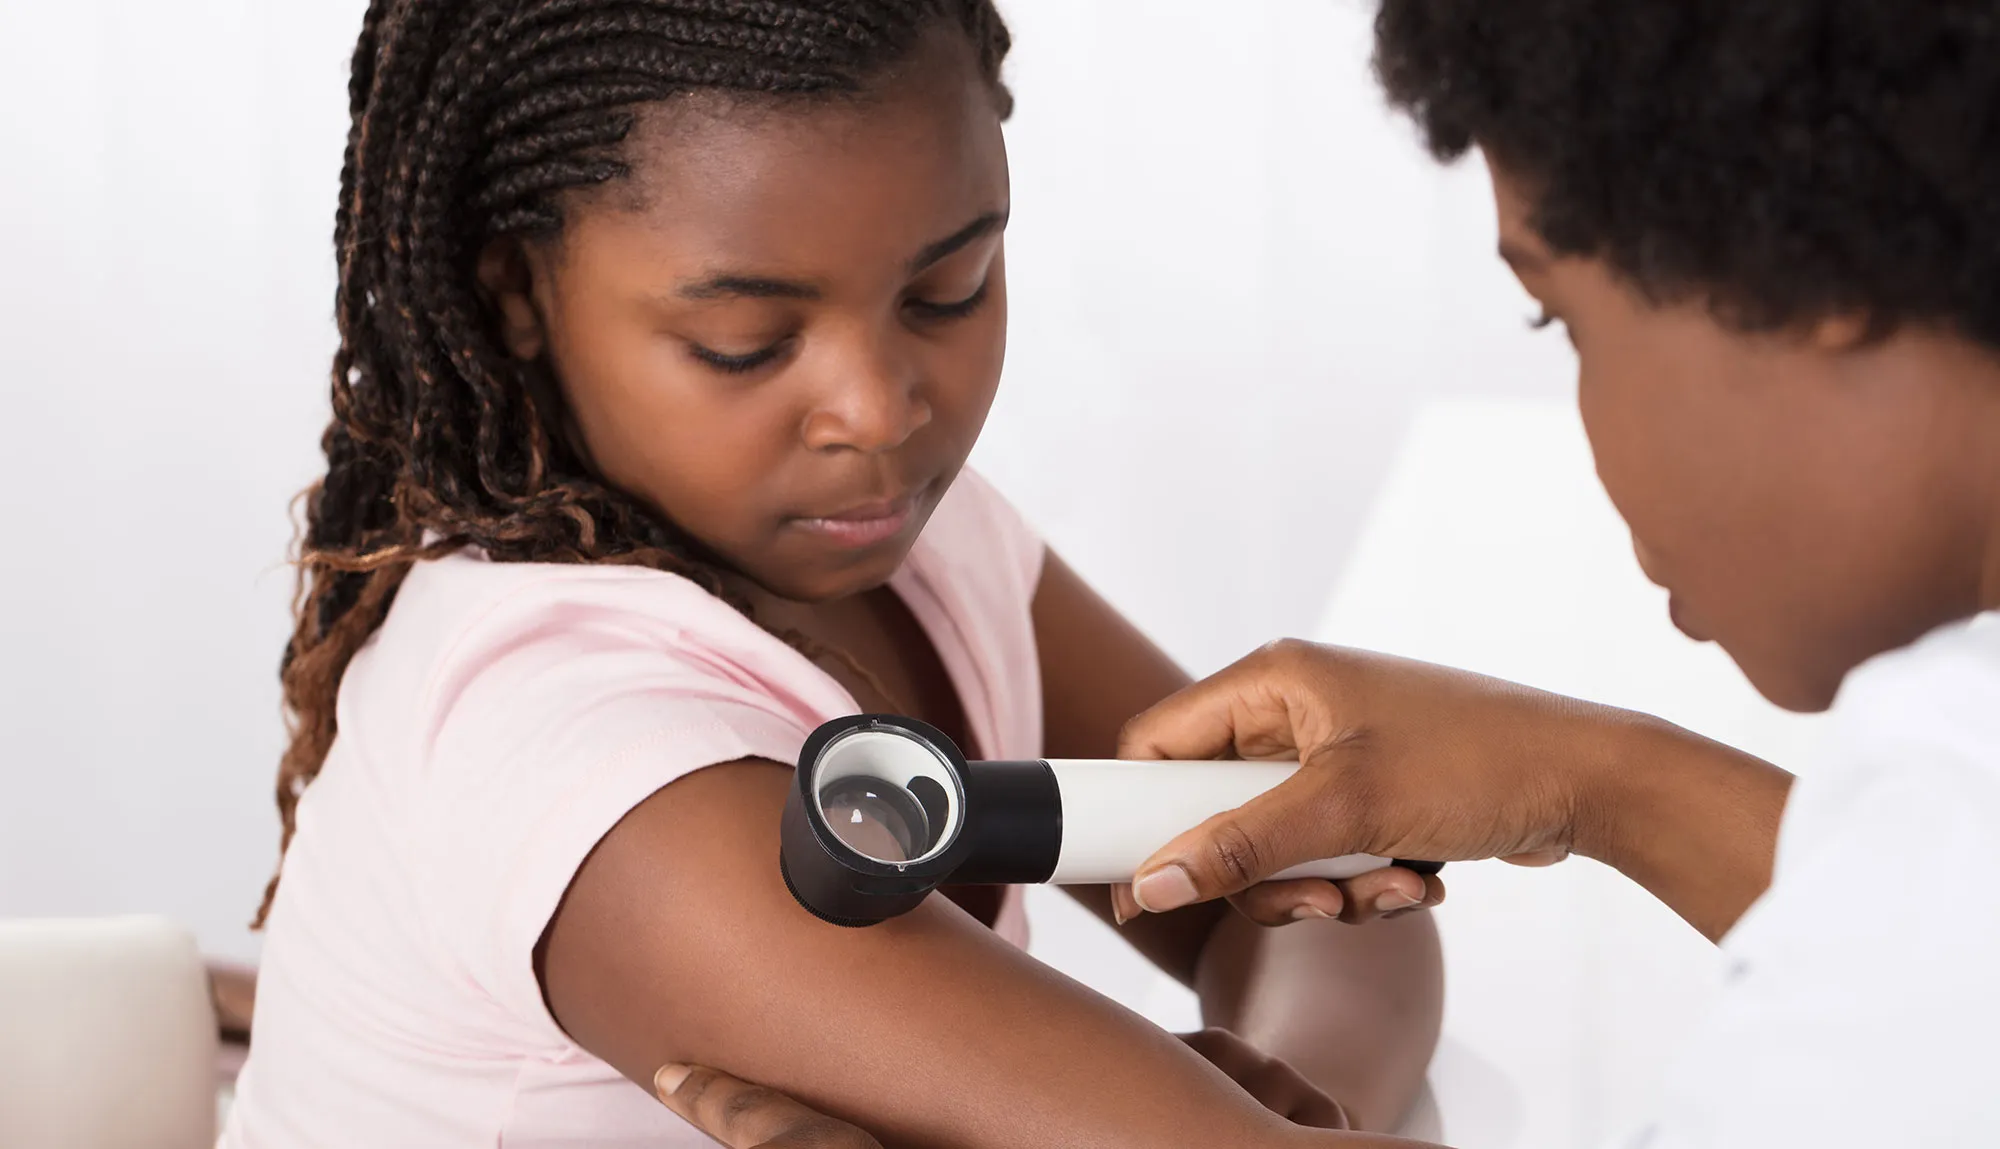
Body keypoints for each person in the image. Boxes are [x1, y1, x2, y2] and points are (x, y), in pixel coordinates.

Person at [652, 0, 2000, 1145]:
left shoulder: (1927, 882)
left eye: (1563, 318)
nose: (877, 417)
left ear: (1822, 268)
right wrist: (1596, 780)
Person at [221, 3, 1445, 1147]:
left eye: (947, 291)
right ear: (514, 292)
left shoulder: (904, 543)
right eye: (744, 344)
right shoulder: (588, 753)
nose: (878, 411)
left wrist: (1289, 1093)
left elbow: (1327, 872)